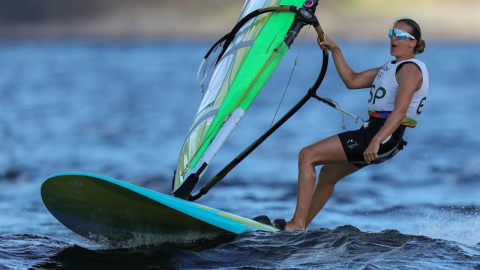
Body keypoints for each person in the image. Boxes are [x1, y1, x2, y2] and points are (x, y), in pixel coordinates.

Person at [271, 18, 429, 231]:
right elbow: (352, 80)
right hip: (380, 136)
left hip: (381, 136)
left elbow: (400, 111)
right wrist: (336, 50)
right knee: (328, 173)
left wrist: (375, 140)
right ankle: (301, 227)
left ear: (413, 43)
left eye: (400, 35)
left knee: (307, 155)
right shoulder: (391, 67)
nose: (393, 38)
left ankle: (297, 223)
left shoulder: (410, 70)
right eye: (392, 32)